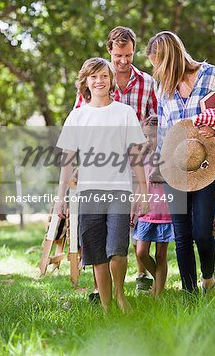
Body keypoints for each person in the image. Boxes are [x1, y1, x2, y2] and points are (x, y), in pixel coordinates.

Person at [146, 31, 215, 294]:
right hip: (175, 169)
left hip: (207, 166)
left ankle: (208, 278)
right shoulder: (162, 87)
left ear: (170, 58)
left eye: (158, 64)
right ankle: (190, 294)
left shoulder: (211, 75)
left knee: (202, 234)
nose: (156, 71)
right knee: (182, 236)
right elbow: (164, 131)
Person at [54, 58, 148, 312]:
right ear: (85, 81)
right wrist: (60, 197)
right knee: (96, 252)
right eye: (93, 77)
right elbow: (68, 163)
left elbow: (136, 156)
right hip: (88, 194)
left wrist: (144, 190)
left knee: (117, 249)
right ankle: (106, 306)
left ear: (111, 80)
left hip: (119, 191)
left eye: (104, 76)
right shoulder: (77, 116)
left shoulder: (125, 113)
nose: (99, 81)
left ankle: (120, 295)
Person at [75, 27, 157, 298]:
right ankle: (102, 290)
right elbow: (80, 118)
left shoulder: (146, 83)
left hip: (136, 162)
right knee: (100, 229)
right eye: (119, 55)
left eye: (129, 55)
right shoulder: (98, 78)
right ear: (110, 50)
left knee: (129, 225)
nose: (124, 61)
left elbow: (156, 120)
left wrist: (147, 132)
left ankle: (140, 275)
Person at [131, 116, 175, 296]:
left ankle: (159, 295)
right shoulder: (141, 157)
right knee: (141, 252)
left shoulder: (167, 156)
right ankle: (158, 280)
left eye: (153, 136)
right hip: (146, 211)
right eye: (145, 136)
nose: (149, 140)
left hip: (164, 212)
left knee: (161, 255)